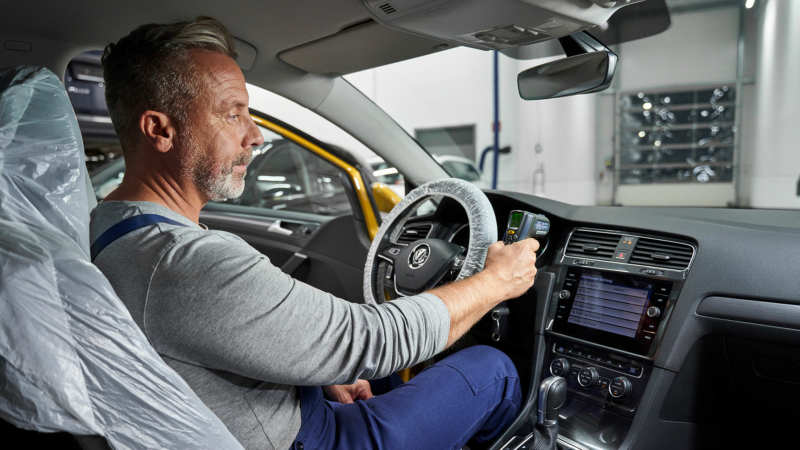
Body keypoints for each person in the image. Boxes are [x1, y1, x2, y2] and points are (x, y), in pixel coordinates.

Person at [91, 16, 540, 450]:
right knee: (493, 369)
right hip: (309, 439)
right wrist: (495, 282)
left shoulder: (107, 225)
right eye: (233, 115)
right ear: (160, 130)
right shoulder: (183, 262)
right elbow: (373, 339)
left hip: (258, 416)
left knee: (379, 377)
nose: (256, 135)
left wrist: (316, 369)